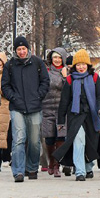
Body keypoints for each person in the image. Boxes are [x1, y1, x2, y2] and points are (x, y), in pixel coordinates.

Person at [1, 35, 51, 183]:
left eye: (23, 49)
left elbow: (45, 81)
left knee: (35, 140)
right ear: (15, 50)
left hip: (35, 107)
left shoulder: (37, 63)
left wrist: (38, 96)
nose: (21, 52)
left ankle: (32, 167)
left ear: (28, 49)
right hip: (17, 107)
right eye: (19, 49)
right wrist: (13, 97)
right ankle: (18, 171)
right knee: (19, 139)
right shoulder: (10, 65)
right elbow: (5, 85)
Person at [54, 49, 100, 181]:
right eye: (78, 64)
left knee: (91, 143)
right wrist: (61, 121)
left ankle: (88, 167)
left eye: (84, 64)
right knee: (78, 141)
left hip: (91, 115)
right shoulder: (70, 80)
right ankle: (80, 171)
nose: (81, 67)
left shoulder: (94, 78)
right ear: (75, 66)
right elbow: (64, 101)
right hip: (75, 115)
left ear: (88, 65)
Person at [41, 47, 69, 177]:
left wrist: (65, 77)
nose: (57, 60)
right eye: (55, 57)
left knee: (60, 137)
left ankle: (57, 165)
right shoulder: (45, 71)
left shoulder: (67, 73)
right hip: (47, 108)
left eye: (59, 58)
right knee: (49, 138)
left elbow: (68, 90)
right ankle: (50, 161)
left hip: (61, 109)